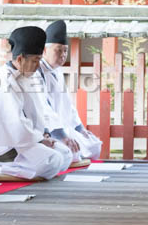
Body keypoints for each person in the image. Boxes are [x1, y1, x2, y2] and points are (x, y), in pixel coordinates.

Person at [0, 26, 73, 180]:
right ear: (20, 59)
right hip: (2, 146)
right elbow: (14, 123)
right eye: (35, 60)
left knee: (65, 154)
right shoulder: (0, 81)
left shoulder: (28, 76)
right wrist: (39, 140)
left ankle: (21, 167)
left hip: (24, 139)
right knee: (53, 161)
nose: (38, 65)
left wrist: (44, 134)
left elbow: (38, 112)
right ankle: (0, 168)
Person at [39, 20, 102, 160]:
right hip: (50, 131)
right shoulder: (38, 71)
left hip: (65, 126)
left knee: (94, 145)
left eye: (65, 50)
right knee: (72, 153)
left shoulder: (58, 70)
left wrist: (80, 128)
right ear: (44, 50)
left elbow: (68, 104)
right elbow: (44, 108)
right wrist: (62, 136)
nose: (62, 55)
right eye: (58, 50)